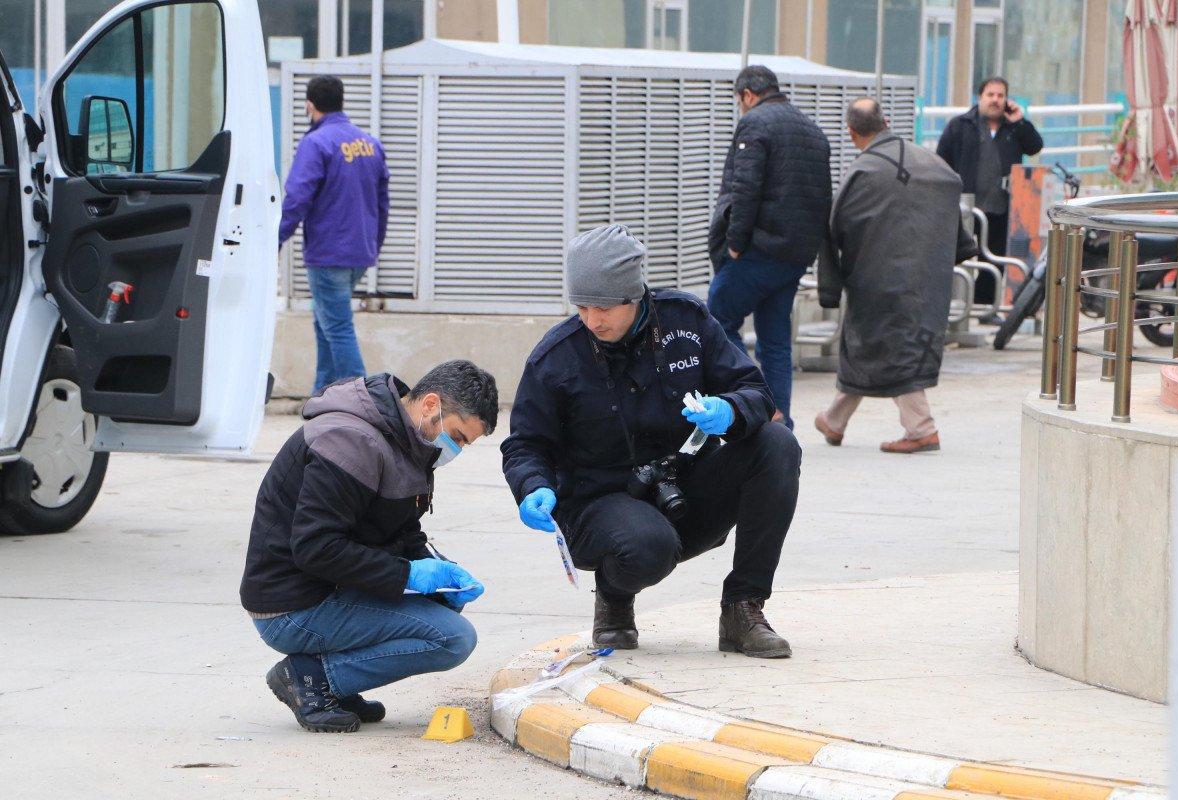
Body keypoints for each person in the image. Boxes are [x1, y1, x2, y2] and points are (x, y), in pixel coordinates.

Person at [502, 224, 801, 659]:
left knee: (777, 443)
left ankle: (743, 609)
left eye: (604, 307)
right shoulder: (557, 357)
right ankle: (614, 596)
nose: (593, 320)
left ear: (634, 296)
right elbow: (525, 443)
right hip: (600, 504)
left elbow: (755, 391)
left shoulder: (686, 322)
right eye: (582, 307)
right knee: (647, 546)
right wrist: (533, 486)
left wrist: (730, 410)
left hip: (683, 488)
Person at [240, 361, 498, 732]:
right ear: (431, 405)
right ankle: (312, 677)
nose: (455, 449)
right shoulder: (349, 441)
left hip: (329, 587)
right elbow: (317, 548)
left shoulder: (405, 442)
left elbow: (403, 531)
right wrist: (409, 575)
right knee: (453, 638)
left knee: (442, 611)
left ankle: (337, 683)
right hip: (291, 605)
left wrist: (440, 572)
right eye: (456, 436)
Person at [815, 98, 962, 454]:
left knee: (891, 345)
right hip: (927, 273)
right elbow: (951, 190)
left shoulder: (863, 170)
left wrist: (830, 288)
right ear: (886, 122)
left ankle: (921, 428)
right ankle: (835, 419)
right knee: (874, 345)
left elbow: (834, 227)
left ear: (851, 132)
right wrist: (957, 249)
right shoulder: (931, 161)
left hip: (877, 276)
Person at [706, 65, 832, 429]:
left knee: (717, 323)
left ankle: (759, 404)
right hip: (794, 255)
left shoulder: (755, 123)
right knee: (775, 340)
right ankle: (779, 422)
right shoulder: (811, 129)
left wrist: (734, 244)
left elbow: (745, 188)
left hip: (757, 250)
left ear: (747, 95)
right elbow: (823, 194)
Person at [279, 74, 390, 395]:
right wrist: (374, 245)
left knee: (337, 328)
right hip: (359, 253)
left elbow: (297, 198)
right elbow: (383, 202)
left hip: (329, 254)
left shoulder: (316, 143)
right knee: (325, 321)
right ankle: (323, 394)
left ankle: (366, 400)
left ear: (309, 106)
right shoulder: (370, 144)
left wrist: (275, 239)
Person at [936, 76, 1042, 305]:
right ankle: (955, 306)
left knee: (994, 261)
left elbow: (1035, 146)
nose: (995, 100)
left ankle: (983, 308)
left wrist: (1020, 122)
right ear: (980, 97)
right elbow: (941, 160)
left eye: (1000, 96)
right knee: (958, 256)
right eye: (990, 95)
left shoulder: (1013, 128)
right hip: (965, 206)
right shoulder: (960, 126)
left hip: (1000, 207)